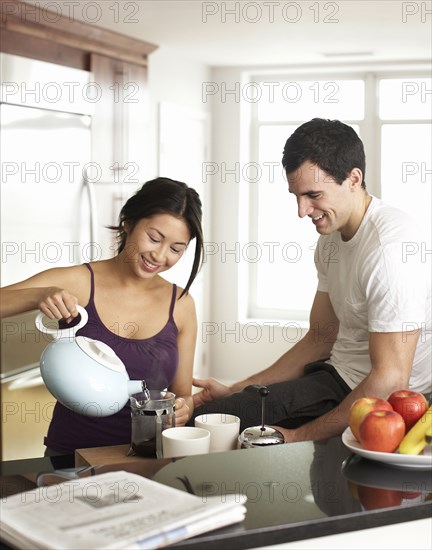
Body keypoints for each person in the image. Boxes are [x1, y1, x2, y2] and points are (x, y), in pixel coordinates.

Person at [191, 118, 431, 442]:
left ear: (353, 179)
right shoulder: (330, 239)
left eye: (313, 195)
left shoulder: (390, 251)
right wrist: (236, 387)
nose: (302, 211)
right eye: (296, 196)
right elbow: (319, 339)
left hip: (385, 400)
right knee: (214, 414)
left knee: (217, 423)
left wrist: (297, 436)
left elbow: (390, 380)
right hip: (333, 375)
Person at [1, 177, 204, 454]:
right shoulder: (80, 281)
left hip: (148, 459)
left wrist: (184, 407)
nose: (159, 255)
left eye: (175, 249)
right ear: (129, 223)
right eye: (154, 238)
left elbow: (182, 394)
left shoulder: (181, 304)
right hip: (72, 457)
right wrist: (37, 295)